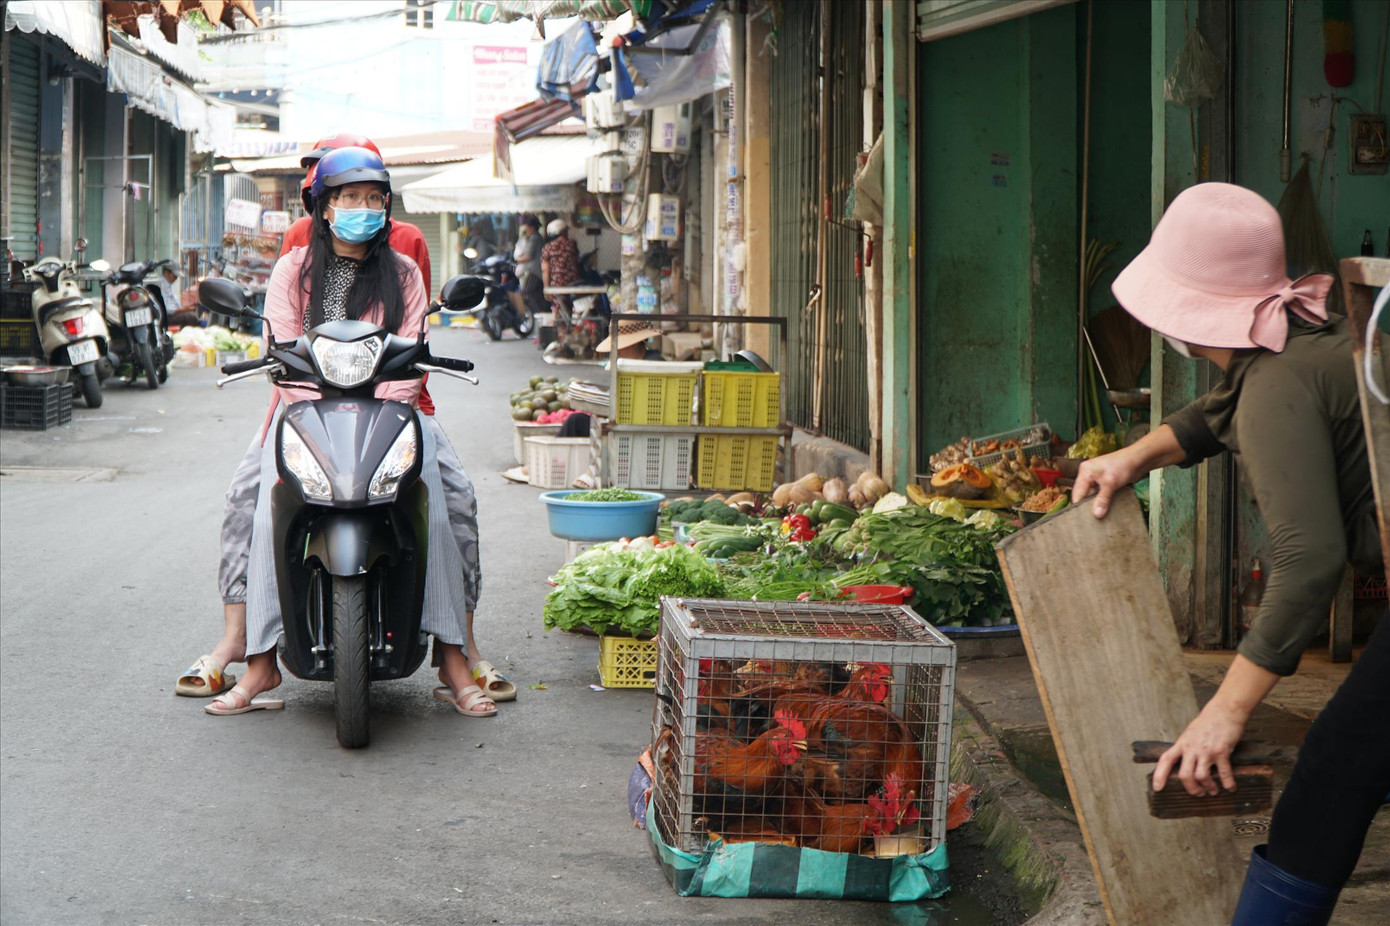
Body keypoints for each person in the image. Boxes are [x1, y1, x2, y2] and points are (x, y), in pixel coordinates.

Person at [1070, 182, 1387, 924]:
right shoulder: (1303, 342)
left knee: (1335, 772)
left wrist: (1224, 712)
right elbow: (1220, 412)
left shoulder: (1276, 386)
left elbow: (1310, 562)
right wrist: (1132, 459)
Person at [179, 147, 511, 717]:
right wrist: (310, 417)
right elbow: (281, 354)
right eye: (349, 197)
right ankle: (257, 658)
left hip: (390, 412)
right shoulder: (293, 269)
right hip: (304, 411)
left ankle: (455, 654)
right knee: (254, 500)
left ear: (386, 205)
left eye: (373, 197)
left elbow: (411, 359)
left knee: (448, 498)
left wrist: (384, 418)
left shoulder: (403, 272)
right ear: (325, 207)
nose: (363, 207)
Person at [513, 214, 545, 319]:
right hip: (538, 270)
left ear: (532, 227)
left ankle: (537, 313)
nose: (526, 230)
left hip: (534, 271)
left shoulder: (534, 238)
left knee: (527, 292)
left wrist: (517, 259)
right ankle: (540, 311)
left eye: (527, 228)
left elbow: (528, 255)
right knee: (536, 293)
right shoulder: (538, 238)